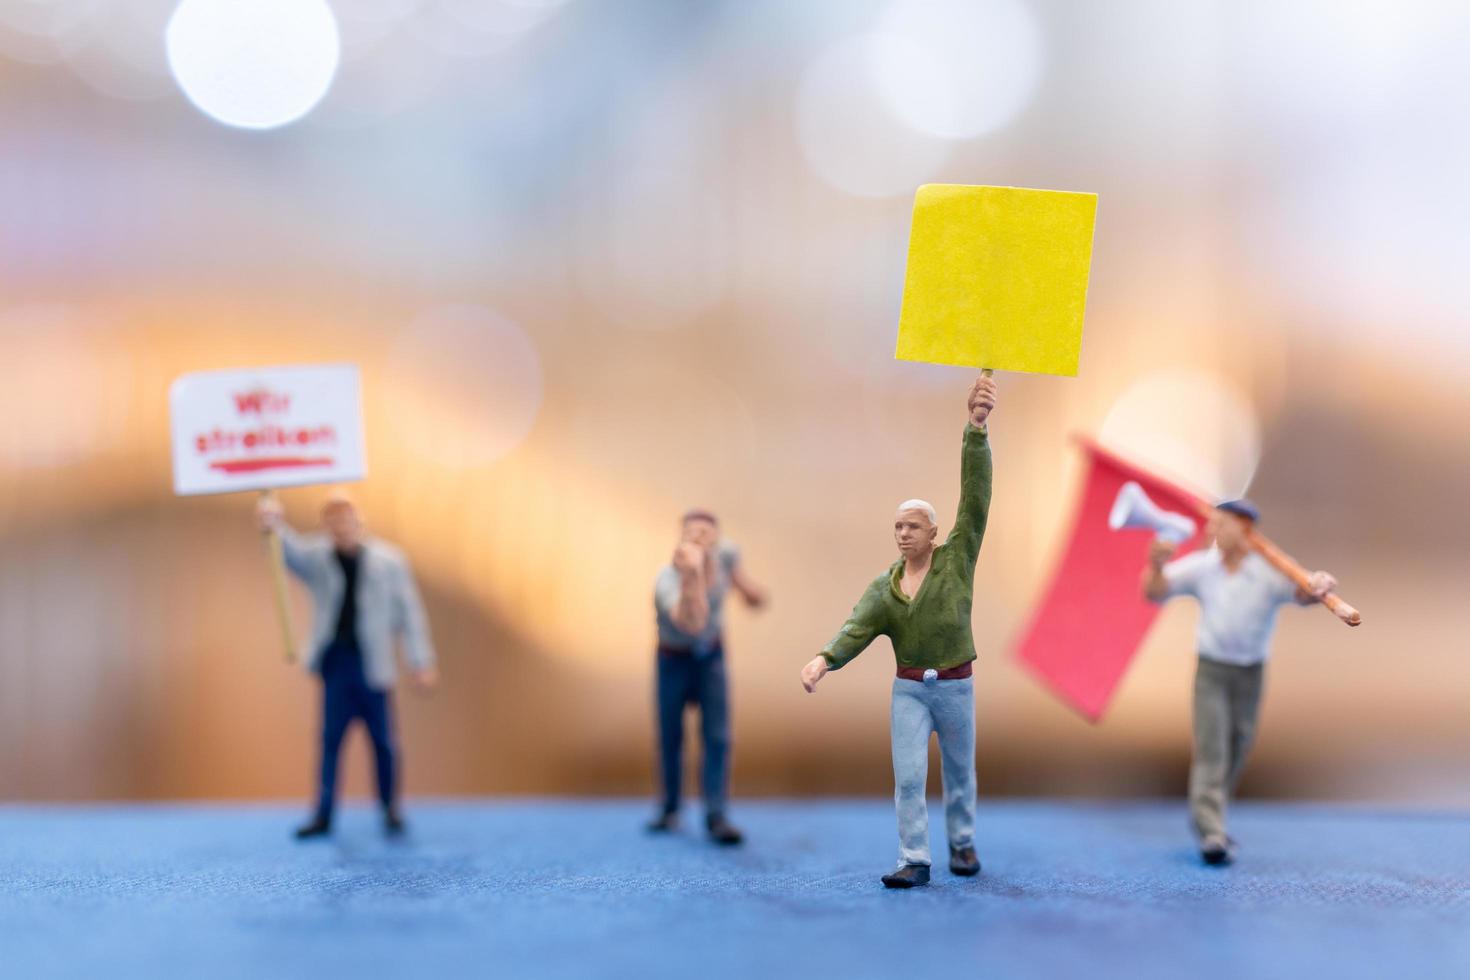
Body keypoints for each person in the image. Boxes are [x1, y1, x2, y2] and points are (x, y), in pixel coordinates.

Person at [800, 374, 996, 889]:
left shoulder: (956, 562)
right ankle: (914, 857)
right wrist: (825, 659)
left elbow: (975, 501)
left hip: (956, 686)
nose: (903, 533)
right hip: (909, 690)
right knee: (909, 777)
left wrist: (975, 431)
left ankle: (963, 842)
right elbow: (856, 628)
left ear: (933, 532)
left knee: (959, 772)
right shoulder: (885, 588)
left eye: (913, 526)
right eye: (898, 527)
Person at [1142, 500, 1338, 866]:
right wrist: (1156, 564)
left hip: (1250, 672)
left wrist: (1318, 585)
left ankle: (1212, 810)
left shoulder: (1267, 572)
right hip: (1212, 672)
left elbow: (1302, 592)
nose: (1212, 530)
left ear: (1244, 529)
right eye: (1212, 522)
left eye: (1221, 524)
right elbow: (1156, 591)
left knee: (1237, 745)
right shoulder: (1203, 568)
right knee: (1212, 748)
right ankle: (1210, 829)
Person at [257, 491, 438, 840]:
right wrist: (273, 526)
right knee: (330, 741)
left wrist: (421, 661)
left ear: (360, 522)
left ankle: (390, 808)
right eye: (333, 521)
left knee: (383, 741)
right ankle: (323, 814)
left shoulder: (390, 562)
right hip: (337, 663)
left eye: (346, 519)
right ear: (325, 526)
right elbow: (286, 554)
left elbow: (410, 615)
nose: (341, 527)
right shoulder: (318, 557)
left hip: (374, 664)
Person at [648, 510, 768, 845]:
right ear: (681, 539)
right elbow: (692, 622)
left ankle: (716, 814)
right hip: (673, 660)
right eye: (692, 533)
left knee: (718, 736)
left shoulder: (727, 554)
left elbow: (742, 582)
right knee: (671, 735)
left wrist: (751, 593)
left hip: (711, 657)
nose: (700, 539)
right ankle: (670, 807)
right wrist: (691, 576)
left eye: (706, 533)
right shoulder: (667, 580)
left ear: (716, 538)